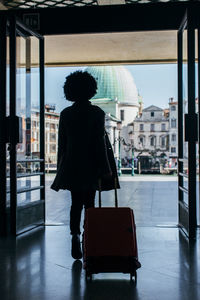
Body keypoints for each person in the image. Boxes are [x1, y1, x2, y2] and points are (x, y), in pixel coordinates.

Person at [51, 71, 119, 260]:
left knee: (75, 204)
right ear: (91, 90)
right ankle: (89, 238)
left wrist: (61, 170)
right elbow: (99, 144)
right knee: (90, 204)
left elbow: (62, 146)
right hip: (91, 166)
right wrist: (106, 169)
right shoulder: (97, 113)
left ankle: (74, 236)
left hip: (72, 166)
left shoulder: (65, 114)